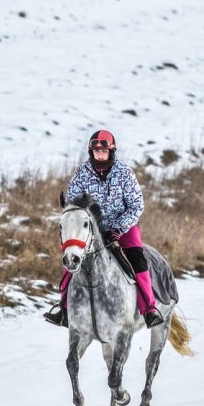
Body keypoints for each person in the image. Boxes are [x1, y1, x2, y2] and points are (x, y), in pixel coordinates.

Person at [43, 130, 164, 329]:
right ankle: (63, 308)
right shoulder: (82, 173)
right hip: (91, 229)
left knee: (137, 258)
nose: (100, 155)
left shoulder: (125, 173)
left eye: (104, 151)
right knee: (71, 258)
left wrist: (119, 228)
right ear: (91, 152)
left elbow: (137, 206)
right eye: (96, 151)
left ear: (111, 152)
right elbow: (73, 204)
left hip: (123, 226)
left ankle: (149, 309)